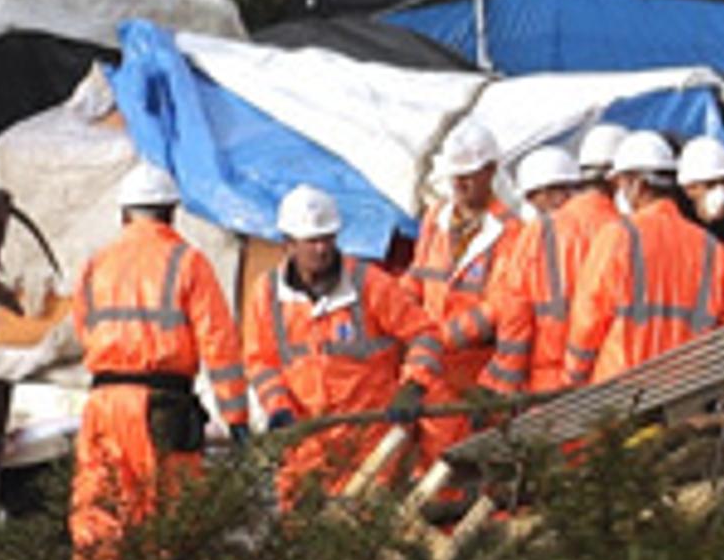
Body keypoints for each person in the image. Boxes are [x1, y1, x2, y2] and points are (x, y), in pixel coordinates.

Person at [66, 162, 242, 560]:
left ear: (124, 214)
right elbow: (220, 345)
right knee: (168, 521)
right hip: (162, 408)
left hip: (104, 407)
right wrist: (237, 418)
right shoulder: (188, 262)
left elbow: (83, 328)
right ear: (171, 213)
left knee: (100, 515)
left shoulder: (96, 264)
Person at [240, 184, 446, 508]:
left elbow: (425, 334)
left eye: (328, 238)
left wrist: (414, 385)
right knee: (301, 537)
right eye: (312, 241)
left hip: (372, 446)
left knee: (369, 538)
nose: (322, 249)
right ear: (288, 244)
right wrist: (278, 408)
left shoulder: (369, 284)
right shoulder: (266, 295)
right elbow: (260, 362)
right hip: (306, 445)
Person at [567, 130, 724, 385]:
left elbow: (589, 316)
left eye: (620, 182)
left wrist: (575, 376)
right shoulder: (711, 247)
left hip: (621, 386)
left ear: (638, 183)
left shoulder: (617, 236)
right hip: (687, 392)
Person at [408, 122, 517, 459]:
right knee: (431, 459)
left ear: (491, 170)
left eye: (468, 174)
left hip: (474, 369)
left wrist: (442, 337)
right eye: (455, 174)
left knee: (468, 461)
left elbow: (500, 305)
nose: (459, 183)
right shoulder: (436, 218)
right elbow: (418, 276)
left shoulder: (512, 231)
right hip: (430, 367)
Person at [483, 144, 615, 396]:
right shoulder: (621, 226)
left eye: (534, 198)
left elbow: (515, 318)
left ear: (550, 193)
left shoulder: (538, 234)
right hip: (611, 373)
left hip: (551, 381)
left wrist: (502, 388)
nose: (534, 208)